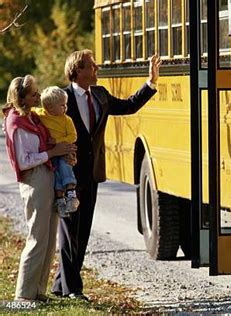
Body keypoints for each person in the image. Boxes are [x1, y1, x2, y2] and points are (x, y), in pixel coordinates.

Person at [52, 49, 162, 300]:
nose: (97, 69)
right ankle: (73, 290)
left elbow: (129, 106)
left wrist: (151, 82)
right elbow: (46, 128)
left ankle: (61, 286)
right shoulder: (62, 98)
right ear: (78, 70)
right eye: (92, 66)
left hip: (92, 175)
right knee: (69, 231)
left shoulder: (100, 95)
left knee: (83, 231)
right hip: (67, 175)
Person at [3, 75, 76, 302]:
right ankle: (24, 296)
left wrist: (64, 152)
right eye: (34, 93)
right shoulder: (17, 122)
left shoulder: (33, 117)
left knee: (49, 237)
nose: (38, 95)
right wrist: (53, 153)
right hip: (34, 179)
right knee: (37, 236)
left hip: (48, 174)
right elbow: (24, 161)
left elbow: (50, 141)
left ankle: (38, 291)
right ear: (22, 97)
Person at [34, 86, 79, 217]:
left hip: (64, 151)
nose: (65, 107)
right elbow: (24, 111)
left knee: (65, 168)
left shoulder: (67, 120)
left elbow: (73, 136)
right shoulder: (40, 114)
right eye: (62, 105)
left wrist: (58, 140)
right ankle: (60, 201)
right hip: (51, 153)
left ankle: (71, 194)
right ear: (49, 107)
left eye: (66, 104)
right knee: (56, 176)